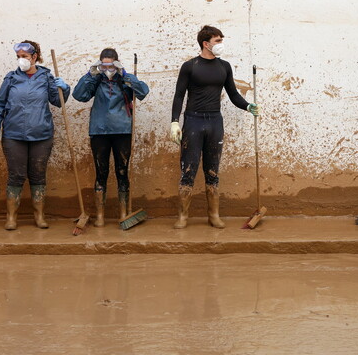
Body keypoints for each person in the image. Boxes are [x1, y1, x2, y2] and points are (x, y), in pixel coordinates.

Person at [170, 25, 260, 229]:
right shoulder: (190, 66)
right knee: (188, 169)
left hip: (214, 122)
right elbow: (178, 95)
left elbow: (233, 94)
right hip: (193, 121)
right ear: (206, 43)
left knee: (212, 170)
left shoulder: (224, 67)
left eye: (221, 40)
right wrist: (175, 121)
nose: (221, 44)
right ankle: (183, 216)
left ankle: (214, 215)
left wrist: (248, 106)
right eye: (218, 41)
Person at [0, 41, 70, 231]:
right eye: (18, 57)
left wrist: (64, 88)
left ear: (34, 57)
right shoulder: (11, 78)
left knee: (38, 176)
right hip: (14, 135)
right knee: (16, 176)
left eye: (24, 56)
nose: (21, 60)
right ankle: (11, 217)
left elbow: (58, 102)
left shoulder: (47, 77)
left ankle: (39, 216)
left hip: (41, 134)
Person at [73, 48, 149, 227]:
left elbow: (143, 92)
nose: (108, 69)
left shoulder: (124, 79)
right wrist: (90, 74)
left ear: (116, 63)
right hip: (99, 131)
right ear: (100, 64)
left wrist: (126, 75)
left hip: (122, 130)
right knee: (101, 173)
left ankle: (123, 212)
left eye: (111, 65)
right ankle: (100, 215)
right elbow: (79, 95)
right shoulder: (96, 80)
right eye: (104, 65)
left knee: (122, 171)